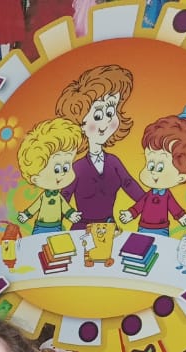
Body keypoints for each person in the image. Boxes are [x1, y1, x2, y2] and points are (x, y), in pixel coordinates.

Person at [57, 65, 143, 229]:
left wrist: (148, 205)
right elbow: (64, 197)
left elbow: (130, 185)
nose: (106, 121)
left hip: (109, 228)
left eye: (110, 113)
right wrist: (56, 223)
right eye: (97, 115)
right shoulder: (77, 167)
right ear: (80, 123)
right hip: (81, 230)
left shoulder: (114, 163)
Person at [118, 108, 186, 236]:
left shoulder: (167, 196)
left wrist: (181, 217)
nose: (152, 172)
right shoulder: (149, 194)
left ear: (181, 177)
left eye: (159, 168)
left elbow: (175, 208)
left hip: (162, 230)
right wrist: (130, 214)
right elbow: (139, 206)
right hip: (142, 228)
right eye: (149, 165)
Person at [16, 118, 84, 234]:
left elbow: (65, 207)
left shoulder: (59, 197)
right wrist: (26, 215)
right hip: (40, 227)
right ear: (35, 178)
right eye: (57, 169)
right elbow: (34, 207)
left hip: (57, 227)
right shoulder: (44, 196)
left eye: (66, 167)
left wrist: (71, 214)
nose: (63, 173)